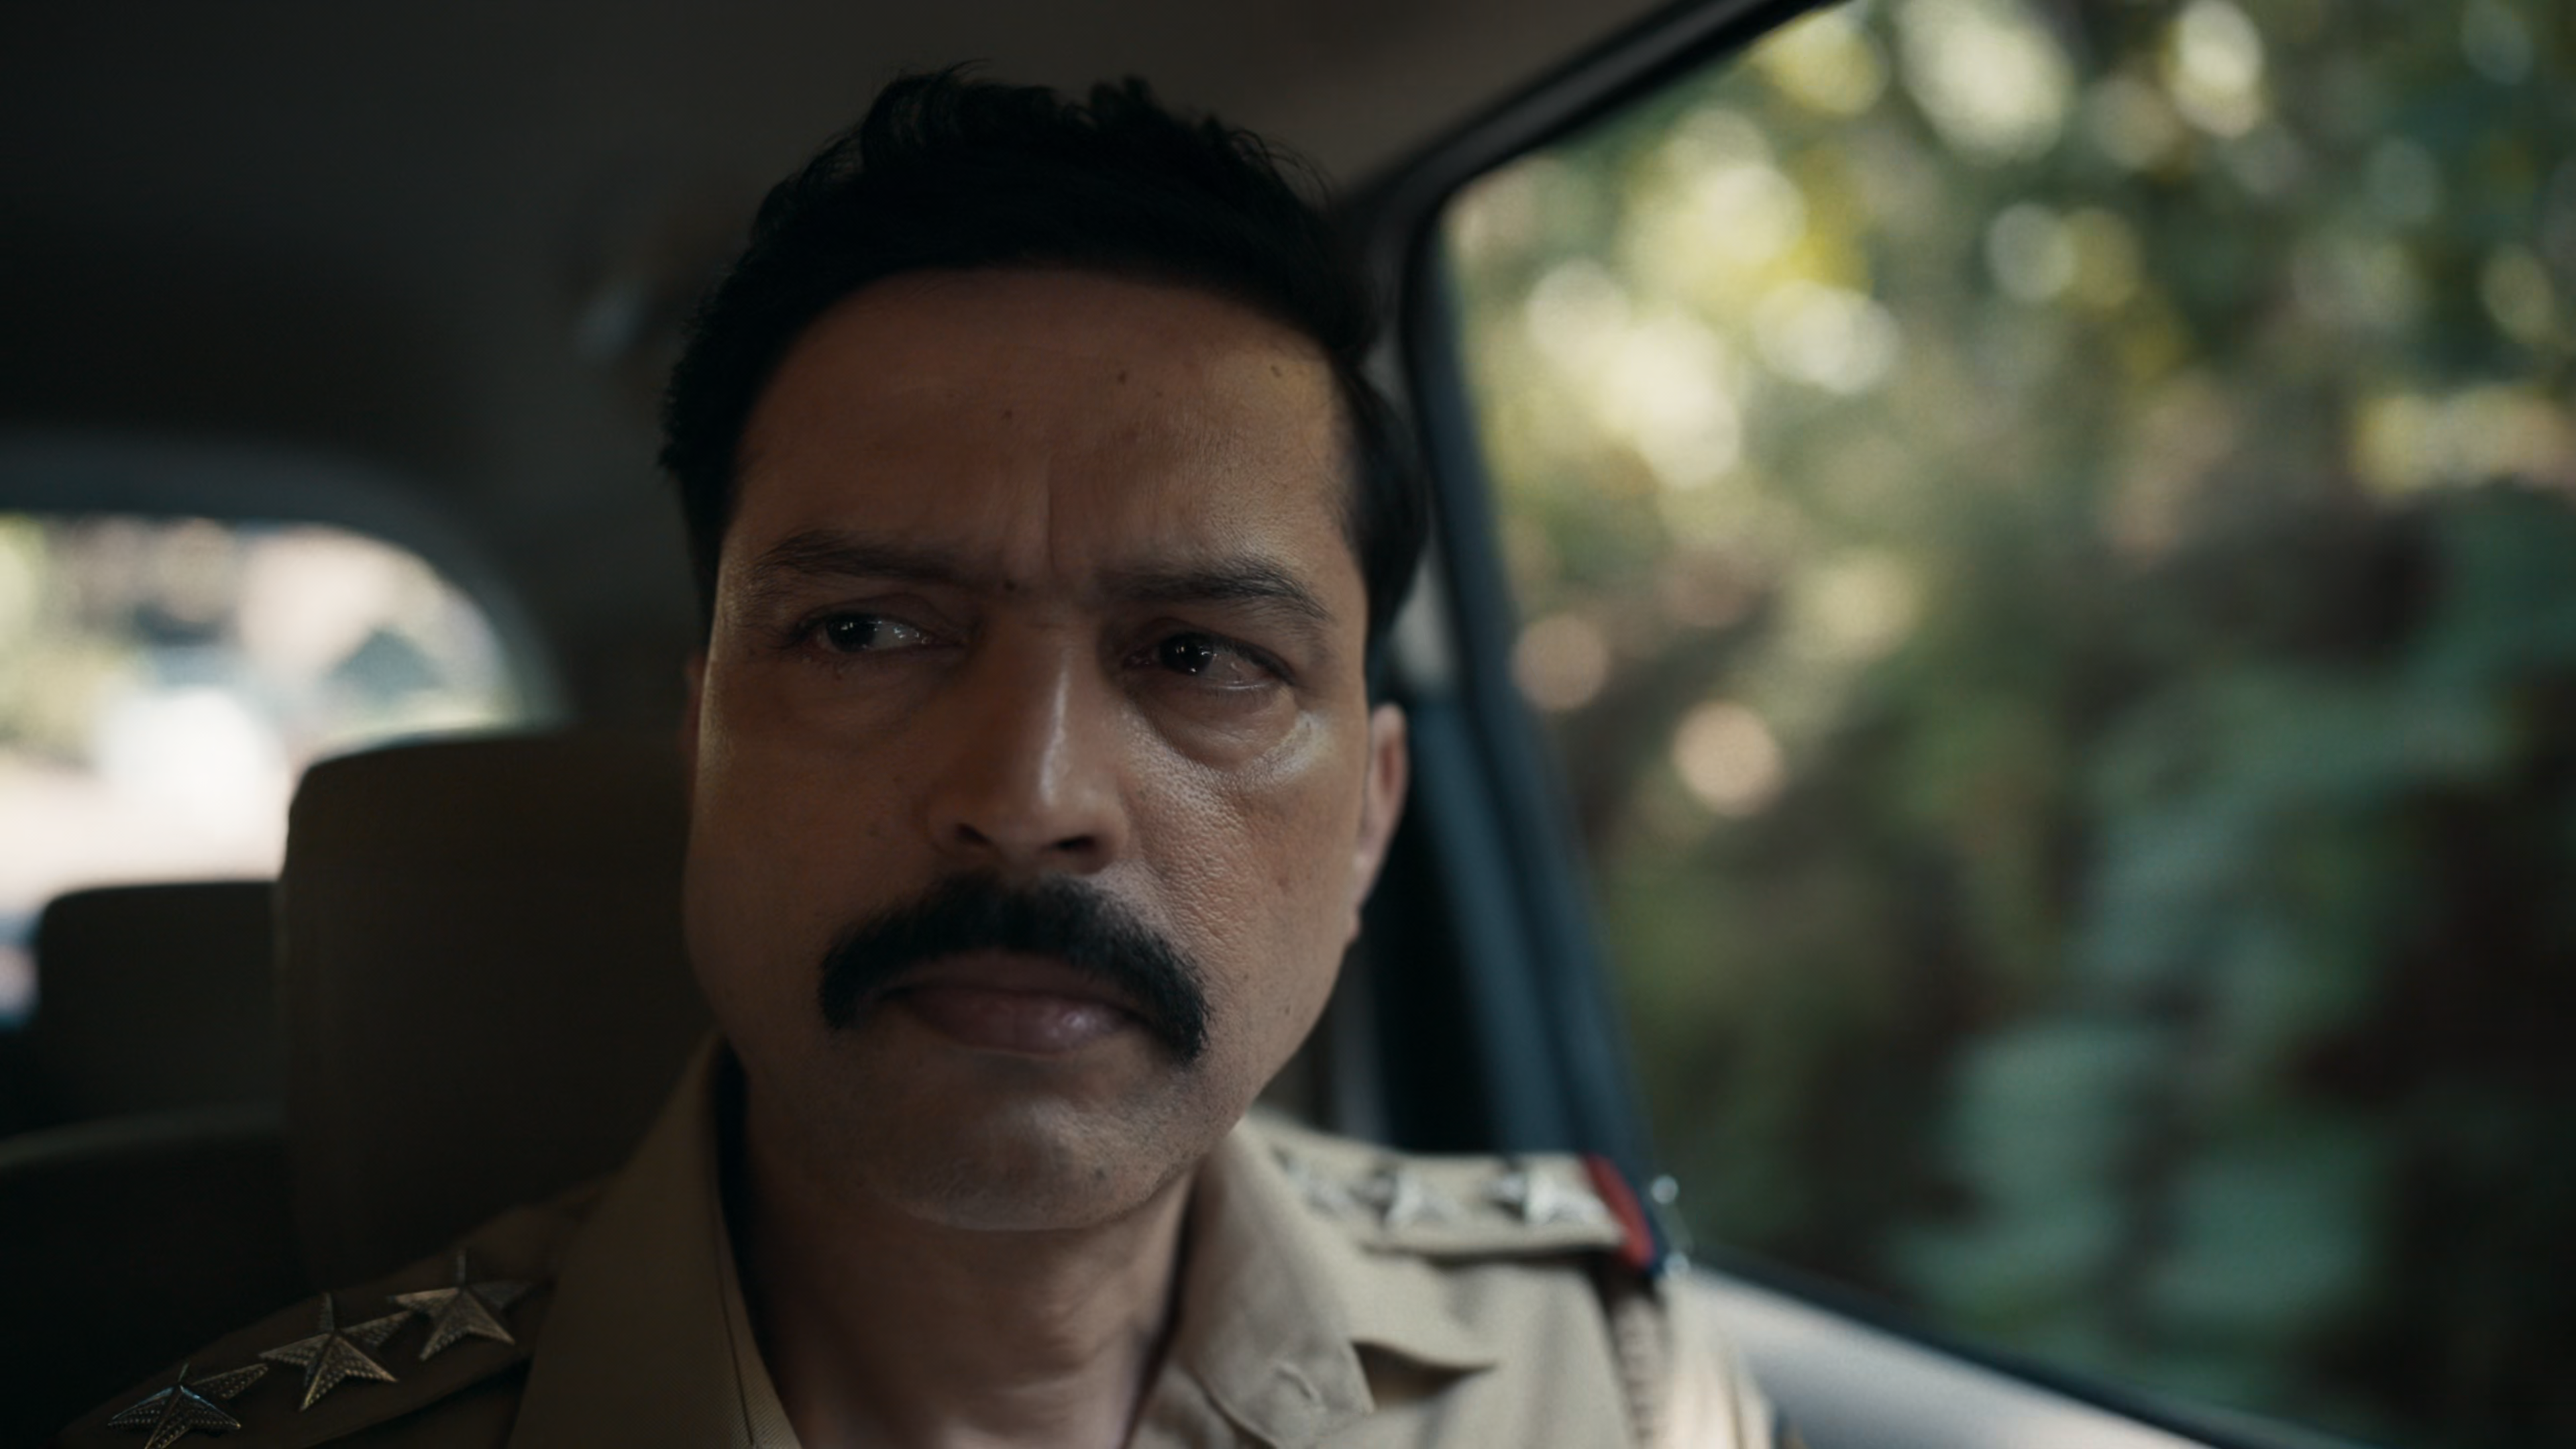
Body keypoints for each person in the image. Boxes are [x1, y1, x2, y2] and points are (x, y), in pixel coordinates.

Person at [60, 71, 1787, 1448]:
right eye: (866, 632)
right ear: (703, 749)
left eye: (1202, 659)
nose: (1029, 801)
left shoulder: (1605, 1381)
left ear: (1369, 825)